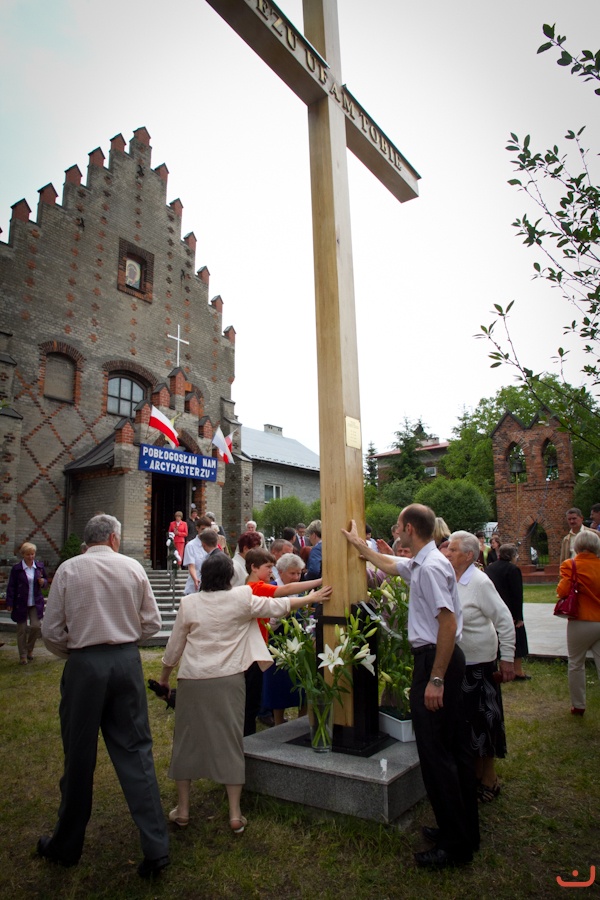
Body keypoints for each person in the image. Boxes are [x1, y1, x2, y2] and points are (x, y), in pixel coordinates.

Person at [342, 504, 479, 869]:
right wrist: (359, 544)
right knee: (448, 748)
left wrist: (436, 678)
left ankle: (455, 846)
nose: (396, 531)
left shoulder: (430, 567)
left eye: (399, 526)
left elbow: (447, 624)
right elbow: (390, 565)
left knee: (437, 755)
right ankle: (461, 830)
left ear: (409, 529)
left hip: (437, 660)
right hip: (438, 658)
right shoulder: (423, 561)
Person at [157, 553, 330, 833]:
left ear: (204, 576)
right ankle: (235, 814)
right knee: (231, 740)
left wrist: (164, 678)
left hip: (193, 678)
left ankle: (184, 810)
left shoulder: (189, 603)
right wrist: (312, 598)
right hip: (229, 678)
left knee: (186, 740)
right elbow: (279, 606)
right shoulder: (241, 597)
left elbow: (174, 646)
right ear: (229, 577)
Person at [39, 514, 169, 878]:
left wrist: (78, 652)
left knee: (79, 755)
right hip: (126, 662)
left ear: (89, 539)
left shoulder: (68, 570)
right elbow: (153, 623)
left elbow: (50, 631)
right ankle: (156, 847)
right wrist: (124, 640)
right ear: (114, 538)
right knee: (137, 751)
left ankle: (66, 846)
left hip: (85, 664)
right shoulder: (132, 567)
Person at [446, 531, 515, 801]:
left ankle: (489, 778)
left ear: (468, 555)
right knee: (467, 723)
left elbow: (504, 619)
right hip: (459, 663)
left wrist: (507, 658)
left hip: (480, 664)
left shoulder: (480, 582)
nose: (447, 553)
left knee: (484, 722)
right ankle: (474, 773)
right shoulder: (451, 578)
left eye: (452, 550)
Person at [243, 547, 329, 735]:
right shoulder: (255, 587)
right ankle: (248, 738)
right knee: (252, 701)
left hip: (260, 646)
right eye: (268, 567)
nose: (271, 571)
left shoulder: (254, 585)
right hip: (258, 647)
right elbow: (285, 591)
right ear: (254, 567)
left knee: (253, 699)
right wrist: (316, 590)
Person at [557, 530, 600, 716]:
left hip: (581, 619)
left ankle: (578, 705)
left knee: (576, 663)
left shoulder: (571, 565)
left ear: (577, 546)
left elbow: (562, 591)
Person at [262, 552, 308, 724]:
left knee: (302, 686)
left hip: (298, 644)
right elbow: (266, 622)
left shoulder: (301, 591)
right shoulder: (271, 589)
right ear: (280, 572)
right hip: (277, 644)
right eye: (292, 573)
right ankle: (279, 722)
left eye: (299, 573)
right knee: (278, 686)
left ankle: (301, 722)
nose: (296, 577)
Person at [486, 544, 531, 680]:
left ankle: (498, 668)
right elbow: (517, 594)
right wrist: (519, 617)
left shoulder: (490, 568)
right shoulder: (513, 569)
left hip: (494, 609)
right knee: (517, 640)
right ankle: (517, 671)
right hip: (510, 611)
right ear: (512, 555)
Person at [6, 541, 48, 665]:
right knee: (22, 629)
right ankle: (23, 655)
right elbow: (11, 586)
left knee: (36, 626)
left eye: (32, 554)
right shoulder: (17, 569)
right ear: (23, 555)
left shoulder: (39, 567)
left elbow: (45, 581)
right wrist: (10, 602)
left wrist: (43, 582)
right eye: (28, 554)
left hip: (35, 601)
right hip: (21, 602)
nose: (30, 557)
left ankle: (29, 648)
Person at [182, 515, 212, 593]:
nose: (205, 532)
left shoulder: (212, 545)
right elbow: (191, 566)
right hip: (194, 587)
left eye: (207, 529)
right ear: (197, 528)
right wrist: (195, 579)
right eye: (203, 529)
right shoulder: (191, 545)